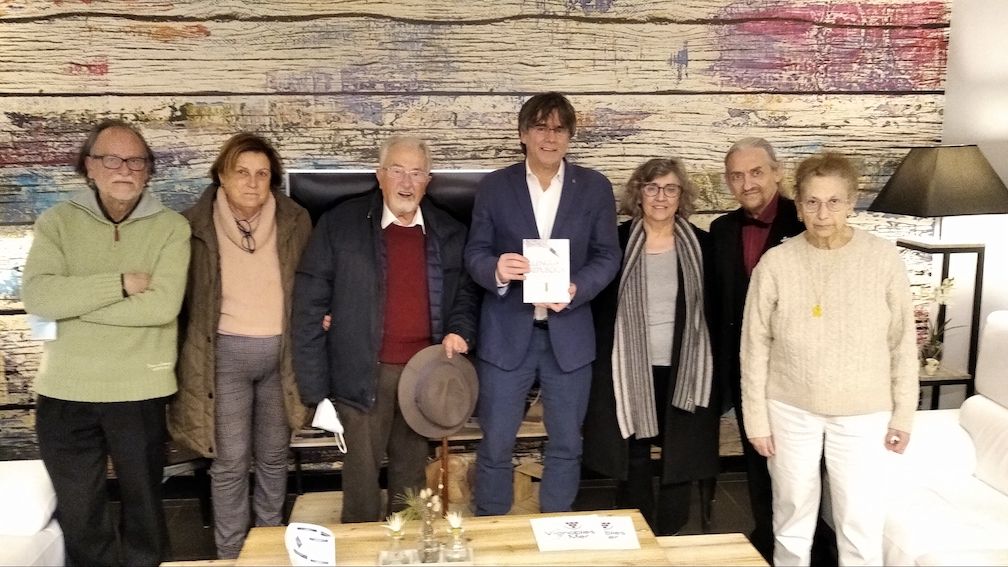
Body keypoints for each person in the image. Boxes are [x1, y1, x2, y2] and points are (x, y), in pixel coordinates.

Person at [21, 119, 190, 566]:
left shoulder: (171, 227)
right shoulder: (57, 223)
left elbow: (161, 307)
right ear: (89, 167)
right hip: (64, 391)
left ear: (148, 171)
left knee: (145, 511)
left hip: (139, 390)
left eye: (136, 161)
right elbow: (39, 298)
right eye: (112, 160)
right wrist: (120, 284)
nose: (125, 170)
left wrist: (74, 305)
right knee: (81, 514)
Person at [741, 152, 918, 565]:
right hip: (789, 409)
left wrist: (903, 415)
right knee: (791, 516)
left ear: (851, 202)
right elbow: (754, 346)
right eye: (812, 202)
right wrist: (756, 419)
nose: (823, 214)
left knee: (859, 520)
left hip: (864, 412)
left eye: (834, 201)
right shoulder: (776, 263)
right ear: (799, 206)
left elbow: (902, 342)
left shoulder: (882, 258)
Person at [292, 135, 479, 523]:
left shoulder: (449, 232)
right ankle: (361, 547)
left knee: (411, 487)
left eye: (416, 173)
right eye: (397, 171)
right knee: (360, 484)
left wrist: (459, 329)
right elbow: (309, 306)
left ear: (428, 181)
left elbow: (466, 294)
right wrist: (314, 391)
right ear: (380, 176)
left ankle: (408, 547)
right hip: (361, 373)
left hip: (423, 376)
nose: (407, 183)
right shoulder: (340, 224)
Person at [465, 92, 621, 516]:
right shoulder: (495, 187)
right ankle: (492, 525)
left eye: (559, 129)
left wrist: (576, 289)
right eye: (540, 127)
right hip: (506, 333)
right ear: (523, 134)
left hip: (569, 336)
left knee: (567, 443)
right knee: (496, 442)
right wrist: (497, 269)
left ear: (569, 136)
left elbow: (608, 256)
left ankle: (556, 527)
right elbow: (475, 252)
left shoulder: (594, 187)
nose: (550, 137)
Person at [169, 133, 311, 558]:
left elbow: (311, 282)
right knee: (230, 462)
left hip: (281, 359)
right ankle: (230, 553)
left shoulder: (295, 220)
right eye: (242, 172)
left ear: (272, 180)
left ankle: (266, 547)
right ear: (222, 176)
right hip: (223, 359)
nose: (252, 182)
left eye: (262, 174)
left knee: (273, 457)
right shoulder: (192, 225)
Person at [582, 157, 718, 535]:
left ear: (681, 195)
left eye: (670, 188)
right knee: (635, 449)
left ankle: (672, 528)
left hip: (683, 365)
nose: (661, 197)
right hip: (629, 364)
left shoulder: (702, 245)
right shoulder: (616, 242)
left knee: (680, 447)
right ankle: (636, 524)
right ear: (638, 193)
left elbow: (714, 308)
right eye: (652, 188)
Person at [708, 137, 804, 558]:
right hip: (745, 369)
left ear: (777, 172)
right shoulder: (721, 230)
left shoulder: (805, 220)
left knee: (799, 468)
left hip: (794, 370)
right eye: (736, 176)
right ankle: (766, 538)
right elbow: (717, 306)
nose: (746, 183)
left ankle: (811, 547)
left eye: (756, 172)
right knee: (756, 459)